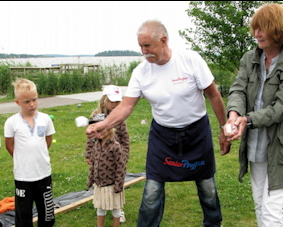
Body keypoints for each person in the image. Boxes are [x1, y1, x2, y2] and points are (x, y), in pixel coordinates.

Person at [86, 20, 231, 227]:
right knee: (152, 190)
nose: (144, 52)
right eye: (141, 47)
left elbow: (214, 95)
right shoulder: (141, 72)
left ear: (163, 40)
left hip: (197, 133)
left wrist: (224, 128)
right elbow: (126, 106)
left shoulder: (190, 60)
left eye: (147, 46)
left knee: (207, 186)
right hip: (163, 137)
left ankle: (214, 224)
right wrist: (104, 125)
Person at [224, 3, 283, 227]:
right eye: (255, 28)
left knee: (272, 211)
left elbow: (279, 108)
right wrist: (234, 115)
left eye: (263, 27)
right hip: (256, 147)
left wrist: (247, 120)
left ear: (277, 29)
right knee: (260, 204)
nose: (257, 33)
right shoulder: (250, 58)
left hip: (279, 149)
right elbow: (238, 89)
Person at [4, 78, 56, 227]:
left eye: (34, 99)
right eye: (26, 101)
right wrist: (23, 160)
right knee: (24, 213)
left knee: (46, 212)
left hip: (43, 173)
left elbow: (48, 141)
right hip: (23, 176)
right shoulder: (12, 122)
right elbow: (9, 145)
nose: (32, 104)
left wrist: (38, 157)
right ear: (17, 102)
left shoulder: (45, 119)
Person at [85, 85, 130, 223]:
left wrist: (125, 155)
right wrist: (88, 153)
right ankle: (102, 205)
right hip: (101, 157)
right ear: (104, 100)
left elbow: (125, 139)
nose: (115, 104)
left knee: (116, 182)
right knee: (102, 182)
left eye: (118, 101)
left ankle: (118, 210)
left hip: (115, 157)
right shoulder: (96, 116)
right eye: (112, 101)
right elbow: (91, 136)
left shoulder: (120, 118)